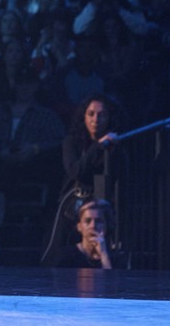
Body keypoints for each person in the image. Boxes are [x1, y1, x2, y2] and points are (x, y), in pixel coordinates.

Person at [41, 94, 126, 266]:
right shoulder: (71, 142)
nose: (96, 119)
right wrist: (97, 147)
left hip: (99, 204)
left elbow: (116, 177)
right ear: (84, 116)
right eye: (91, 114)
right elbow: (75, 171)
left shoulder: (114, 147)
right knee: (56, 249)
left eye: (101, 115)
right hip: (73, 202)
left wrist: (110, 149)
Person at [48, 197, 117, 269]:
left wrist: (104, 255)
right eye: (87, 221)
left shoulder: (115, 258)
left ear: (107, 225)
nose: (93, 226)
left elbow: (110, 279)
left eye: (99, 221)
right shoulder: (65, 256)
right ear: (79, 226)